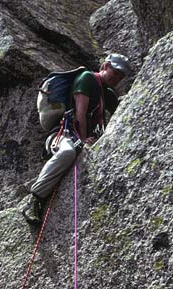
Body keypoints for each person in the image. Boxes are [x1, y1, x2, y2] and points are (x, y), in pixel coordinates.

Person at [21, 54, 132, 224]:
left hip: (81, 137)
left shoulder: (107, 94)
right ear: (106, 65)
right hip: (63, 133)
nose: (116, 78)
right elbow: (80, 113)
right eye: (115, 72)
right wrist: (84, 138)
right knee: (67, 152)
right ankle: (34, 200)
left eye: (120, 76)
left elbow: (124, 109)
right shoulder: (87, 78)